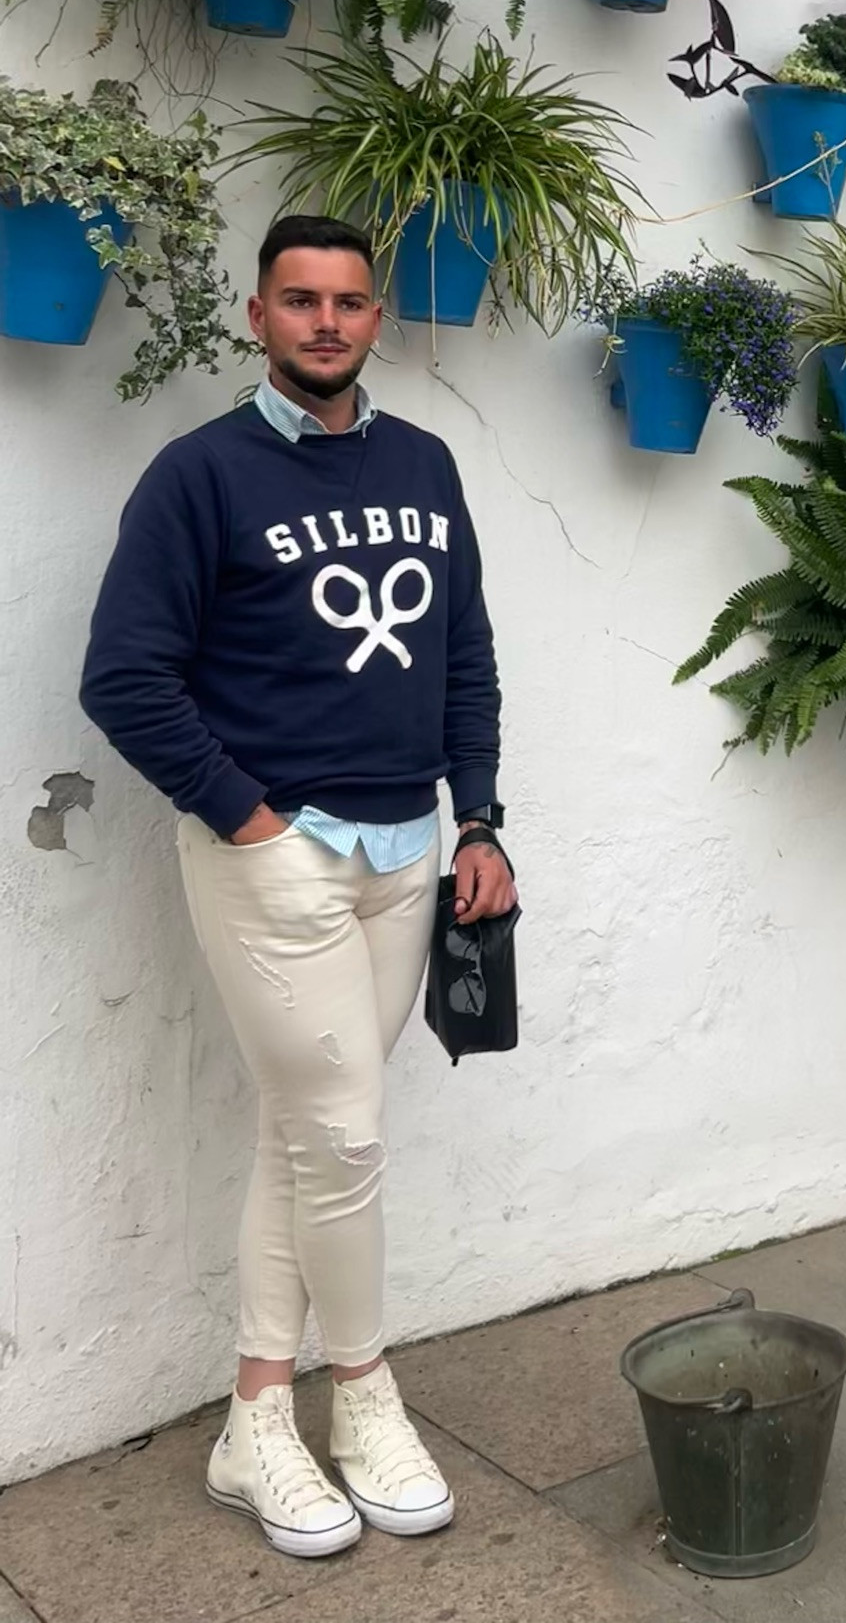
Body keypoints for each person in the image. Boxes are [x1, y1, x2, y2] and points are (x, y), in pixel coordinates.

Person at [80, 215, 516, 1556]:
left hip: (405, 856)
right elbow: (124, 676)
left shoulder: (426, 464)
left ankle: (255, 1415)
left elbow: (464, 656)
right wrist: (250, 821)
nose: (327, 322)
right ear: (257, 315)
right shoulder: (199, 476)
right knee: (346, 1142)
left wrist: (479, 820)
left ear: (377, 318)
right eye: (300, 300)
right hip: (277, 862)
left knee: (308, 1135)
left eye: (349, 302)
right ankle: (364, 1395)